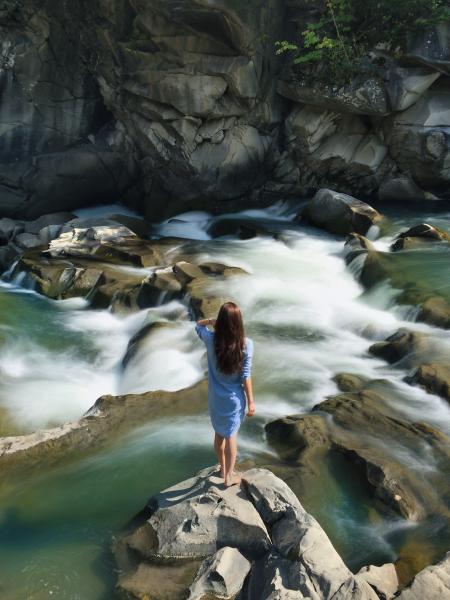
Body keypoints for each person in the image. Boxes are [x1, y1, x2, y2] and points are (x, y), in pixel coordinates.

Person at [195, 301, 255, 487]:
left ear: (221, 321)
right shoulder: (246, 345)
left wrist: (213, 321)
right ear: (239, 323)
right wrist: (251, 401)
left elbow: (198, 324)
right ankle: (228, 477)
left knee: (219, 434)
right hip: (234, 399)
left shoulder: (211, 339)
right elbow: (245, 376)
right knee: (231, 435)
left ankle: (222, 467)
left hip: (215, 398)